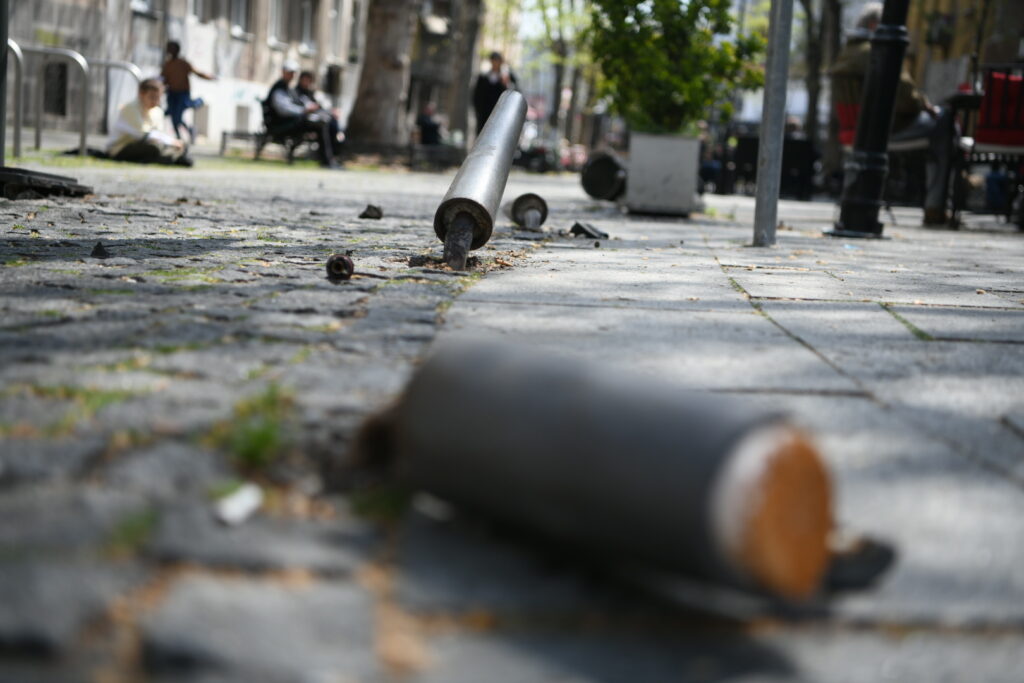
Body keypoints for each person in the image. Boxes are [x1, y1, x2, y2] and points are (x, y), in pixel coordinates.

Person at [830, 2, 955, 225]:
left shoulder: (846, 54)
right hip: (881, 133)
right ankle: (936, 205)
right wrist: (925, 105)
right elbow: (906, 97)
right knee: (945, 123)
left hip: (851, 131)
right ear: (874, 24)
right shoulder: (877, 51)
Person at [265, 60, 340, 168]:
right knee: (321, 125)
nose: (291, 75)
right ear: (283, 72)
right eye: (289, 72)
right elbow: (283, 109)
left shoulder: (289, 89)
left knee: (327, 122)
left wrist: (327, 112)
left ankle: (331, 159)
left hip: (291, 122)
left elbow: (305, 104)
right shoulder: (279, 88)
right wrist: (303, 111)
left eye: (293, 73)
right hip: (282, 124)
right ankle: (327, 160)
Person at [106, 78, 191, 166]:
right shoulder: (130, 108)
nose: (155, 102)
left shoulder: (157, 111)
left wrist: (173, 142)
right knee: (154, 148)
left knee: (181, 145)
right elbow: (143, 134)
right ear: (141, 94)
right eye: (152, 97)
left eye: (158, 98)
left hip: (148, 144)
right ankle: (170, 158)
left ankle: (170, 157)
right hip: (121, 147)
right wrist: (171, 141)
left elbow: (159, 134)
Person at [160, 41, 215, 142]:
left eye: (171, 48)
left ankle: (198, 102)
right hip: (171, 94)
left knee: (177, 116)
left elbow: (197, 72)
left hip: (182, 93)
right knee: (174, 116)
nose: (169, 50)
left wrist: (209, 77)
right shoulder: (167, 65)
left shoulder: (183, 63)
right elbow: (163, 79)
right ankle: (183, 135)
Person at [295, 70, 345, 157]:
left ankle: (338, 140)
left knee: (332, 120)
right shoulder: (296, 92)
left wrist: (331, 112)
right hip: (303, 121)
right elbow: (301, 109)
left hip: (315, 118)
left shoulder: (310, 93)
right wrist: (308, 109)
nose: (307, 82)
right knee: (324, 126)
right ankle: (328, 158)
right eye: (305, 80)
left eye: (309, 80)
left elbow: (319, 107)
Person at [472, 51, 517, 135]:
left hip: (501, 115)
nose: (495, 62)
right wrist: (478, 112)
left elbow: (514, 93)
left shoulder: (508, 77)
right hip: (484, 116)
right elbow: (477, 97)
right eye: (494, 60)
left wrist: (506, 83)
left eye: (497, 60)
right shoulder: (483, 77)